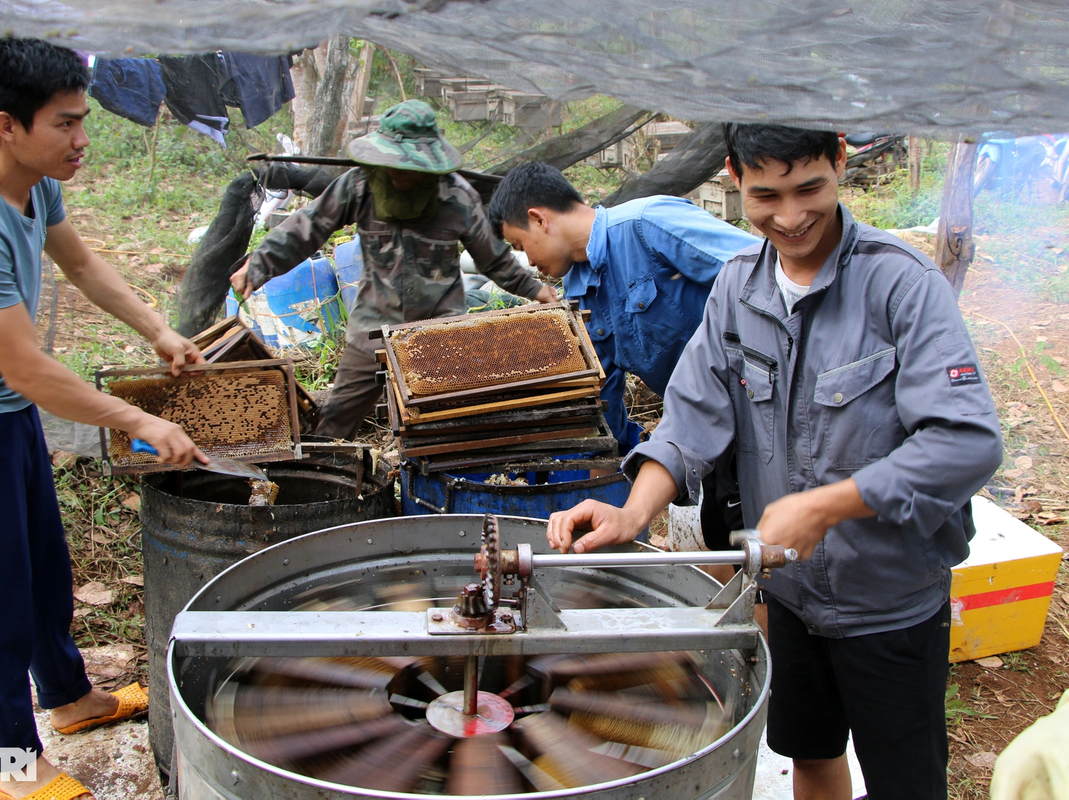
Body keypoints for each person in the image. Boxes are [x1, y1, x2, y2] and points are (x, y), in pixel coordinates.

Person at [546, 123, 1003, 800]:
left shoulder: (901, 286)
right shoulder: (738, 288)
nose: (790, 218)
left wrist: (828, 505)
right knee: (811, 755)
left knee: (906, 781)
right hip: (786, 596)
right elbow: (694, 414)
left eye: (809, 188)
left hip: (889, 599)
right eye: (766, 196)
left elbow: (967, 441)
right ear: (734, 177)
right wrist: (632, 510)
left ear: (840, 161)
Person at [0, 37, 207, 800]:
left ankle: (70, 701)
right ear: (8, 125)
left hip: (5, 420)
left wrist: (157, 329)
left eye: (83, 120)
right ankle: (14, 768)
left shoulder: (33, 185)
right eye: (66, 124)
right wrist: (140, 420)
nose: (83, 140)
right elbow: (28, 369)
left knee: (44, 571)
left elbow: (81, 264)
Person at [230, 99, 557, 440]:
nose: (401, 174)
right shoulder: (359, 185)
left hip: (440, 328)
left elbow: (492, 257)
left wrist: (534, 289)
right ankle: (327, 479)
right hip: (373, 322)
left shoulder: (457, 196)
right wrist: (261, 264)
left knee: (445, 425)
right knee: (336, 422)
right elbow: (309, 226)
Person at [488, 161, 760, 454]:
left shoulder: (648, 225)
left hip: (766, 401)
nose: (527, 261)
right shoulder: (579, 292)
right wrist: (605, 456)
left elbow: (763, 273)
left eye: (520, 244)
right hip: (709, 425)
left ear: (539, 220)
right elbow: (602, 391)